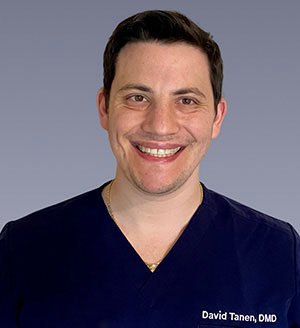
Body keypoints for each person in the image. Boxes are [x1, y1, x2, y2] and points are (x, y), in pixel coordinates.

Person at [0, 9, 299, 328]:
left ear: (216, 117)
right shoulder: (23, 250)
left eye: (186, 101)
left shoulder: (279, 253)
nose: (160, 125)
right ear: (104, 108)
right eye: (138, 97)